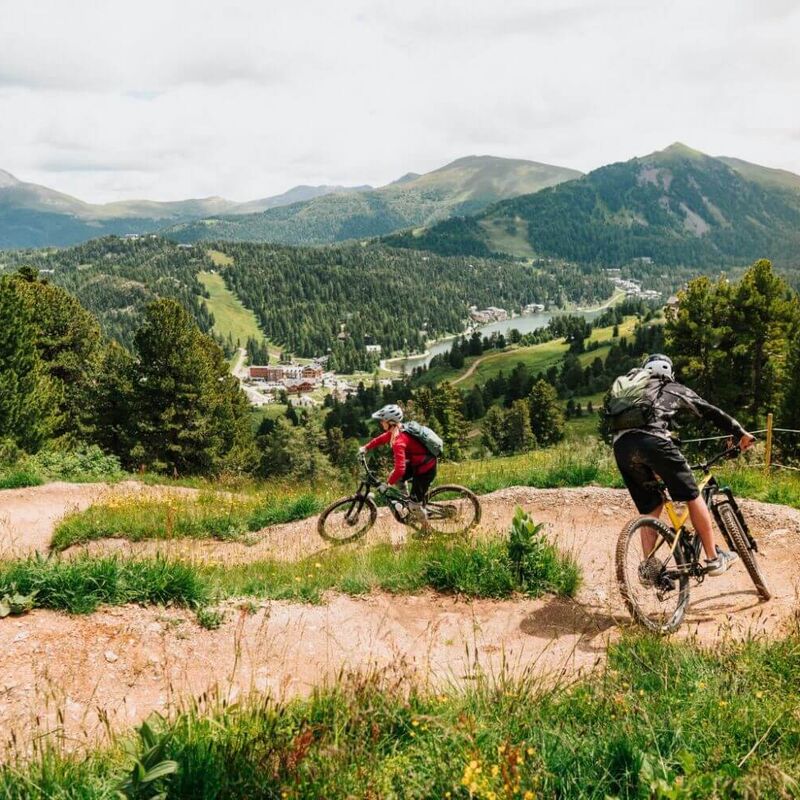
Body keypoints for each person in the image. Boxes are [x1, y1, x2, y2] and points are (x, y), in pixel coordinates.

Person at [612, 353, 755, 577]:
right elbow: (709, 411)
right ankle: (713, 558)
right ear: (669, 373)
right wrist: (739, 432)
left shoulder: (635, 393)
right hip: (655, 441)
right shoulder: (673, 388)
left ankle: (649, 569)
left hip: (622, 447)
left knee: (651, 507)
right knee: (692, 496)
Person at [359, 404, 437, 518]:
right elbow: (382, 438)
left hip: (425, 468)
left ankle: (426, 529)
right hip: (418, 462)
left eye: (383, 420)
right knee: (396, 477)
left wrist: (387, 484)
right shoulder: (398, 429)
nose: (381, 422)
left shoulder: (398, 442)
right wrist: (366, 447)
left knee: (414, 506)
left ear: (390, 422)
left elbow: (400, 469)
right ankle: (406, 502)